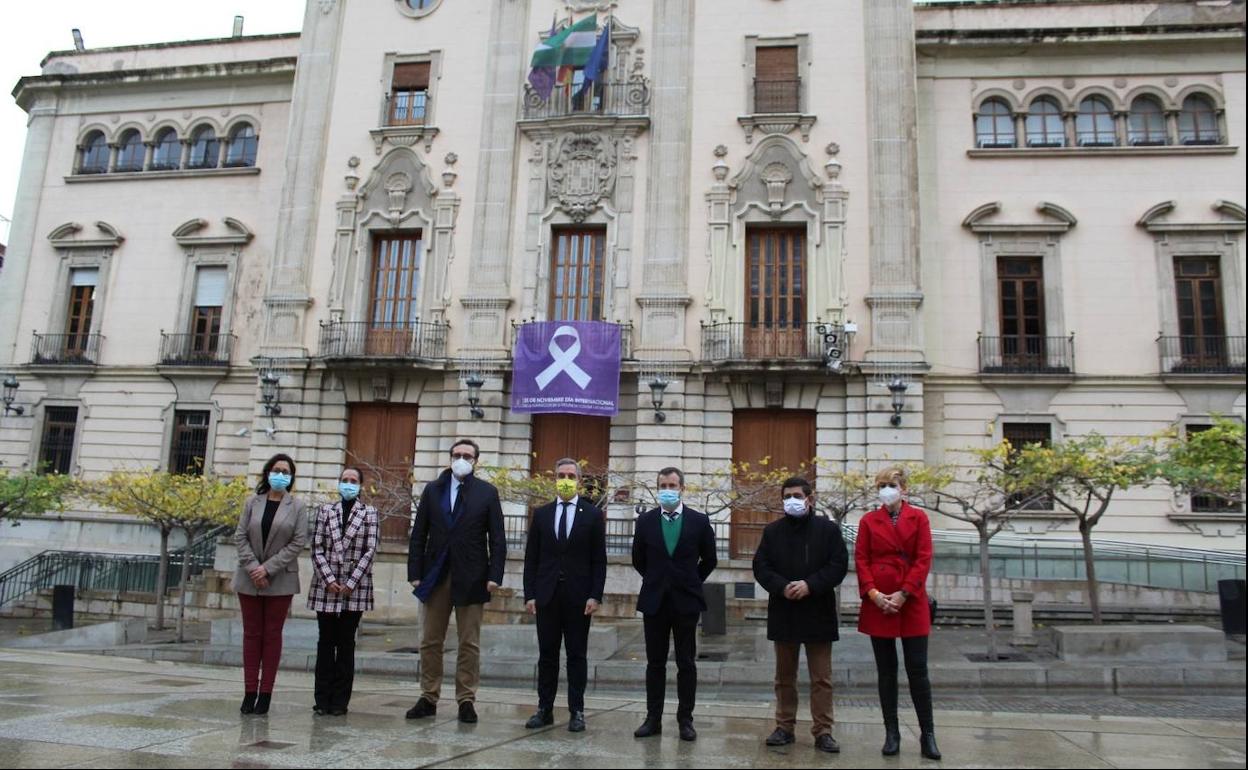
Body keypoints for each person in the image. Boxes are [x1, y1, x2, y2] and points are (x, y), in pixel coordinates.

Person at [406, 439, 506, 724]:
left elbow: (497, 539)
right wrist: (414, 572)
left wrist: (494, 576)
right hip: (435, 574)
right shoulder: (432, 489)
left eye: (467, 455)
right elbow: (418, 534)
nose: (461, 459)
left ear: (476, 461)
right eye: (457, 454)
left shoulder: (487, 493)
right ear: (450, 457)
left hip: (472, 576)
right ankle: (428, 696)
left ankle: (466, 699)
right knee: (430, 640)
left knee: (469, 642)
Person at [752, 477, 849, 753]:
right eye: (786, 496)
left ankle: (823, 730)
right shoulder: (772, 532)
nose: (791, 500)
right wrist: (782, 587)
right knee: (784, 677)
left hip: (818, 611)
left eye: (796, 495)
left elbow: (838, 565)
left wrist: (811, 585)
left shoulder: (828, 530)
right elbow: (761, 566)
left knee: (821, 678)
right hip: (785, 611)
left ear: (810, 498)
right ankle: (784, 726)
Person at [856, 466, 941, 760]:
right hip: (879, 602)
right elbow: (861, 559)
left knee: (918, 670)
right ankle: (891, 732)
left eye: (890, 484)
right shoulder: (868, 520)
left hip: (911, 600)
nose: (886, 490)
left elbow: (923, 557)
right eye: (881, 485)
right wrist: (874, 594)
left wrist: (904, 593)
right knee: (886, 671)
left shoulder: (919, 517)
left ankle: (927, 734)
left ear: (903, 488)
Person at [630, 467, 717, 742]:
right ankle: (653, 718)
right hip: (655, 601)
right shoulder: (645, 521)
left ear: (682, 488)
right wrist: (657, 579)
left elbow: (710, 559)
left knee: (686, 663)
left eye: (672, 484)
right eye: (662, 485)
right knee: (655, 663)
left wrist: (690, 580)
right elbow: (638, 559)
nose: (667, 489)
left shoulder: (699, 521)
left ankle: (685, 720)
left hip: (686, 601)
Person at [522, 458, 607, 732]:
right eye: (561, 475)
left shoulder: (592, 515)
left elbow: (599, 560)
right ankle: (544, 709)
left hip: (579, 598)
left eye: (571, 475)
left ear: (580, 481)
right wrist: (530, 594)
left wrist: (595, 595)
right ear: (554, 479)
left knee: (576, 655)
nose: (566, 479)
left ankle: (577, 711)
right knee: (547, 655)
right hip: (547, 595)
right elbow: (531, 558)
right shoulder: (542, 514)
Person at [233, 453, 307, 716]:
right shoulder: (252, 502)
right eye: (276, 469)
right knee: (251, 635)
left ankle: (265, 694)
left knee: (272, 636)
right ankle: (249, 691)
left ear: (291, 477)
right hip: (249, 578)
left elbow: (298, 542)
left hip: (280, 579)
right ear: (267, 472)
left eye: (286, 472)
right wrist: (254, 568)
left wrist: (268, 568)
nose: (280, 475)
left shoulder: (297, 507)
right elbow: (240, 536)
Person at [307, 466, 379, 716]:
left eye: (353, 480)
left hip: (354, 589)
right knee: (325, 643)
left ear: (360, 485)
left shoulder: (369, 513)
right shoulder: (325, 511)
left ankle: (340, 701)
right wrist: (327, 578)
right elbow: (316, 547)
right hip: (325, 587)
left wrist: (351, 582)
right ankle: (322, 699)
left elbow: (370, 551)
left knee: (346, 644)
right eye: (344, 480)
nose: (348, 484)